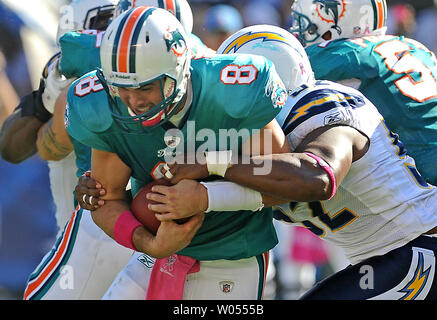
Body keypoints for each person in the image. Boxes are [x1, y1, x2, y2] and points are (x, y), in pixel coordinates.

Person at [132, 24, 437, 300]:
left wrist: (214, 162)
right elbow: (253, 190)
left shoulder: (319, 105)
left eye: (236, 83)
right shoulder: (253, 139)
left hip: (418, 247)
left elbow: (317, 177)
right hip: (386, 257)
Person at [66, 7, 288, 300]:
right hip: (155, 255)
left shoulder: (232, 91)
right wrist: (149, 243)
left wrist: (205, 197)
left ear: (178, 70)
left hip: (231, 255)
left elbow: (282, 185)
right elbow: (109, 200)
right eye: (121, 88)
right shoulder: (104, 106)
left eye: (144, 87)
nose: (132, 102)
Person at [22, 0, 205, 300]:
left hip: (107, 219)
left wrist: (49, 100)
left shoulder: (88, 66)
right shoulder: (210, 62)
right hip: (181, 224)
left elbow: (45, 149)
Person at [289, 0, 437, 187]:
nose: (298, 31)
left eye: (305, 24)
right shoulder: (414, 46)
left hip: (424, 182)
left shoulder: (340, 56)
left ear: (331, 22)